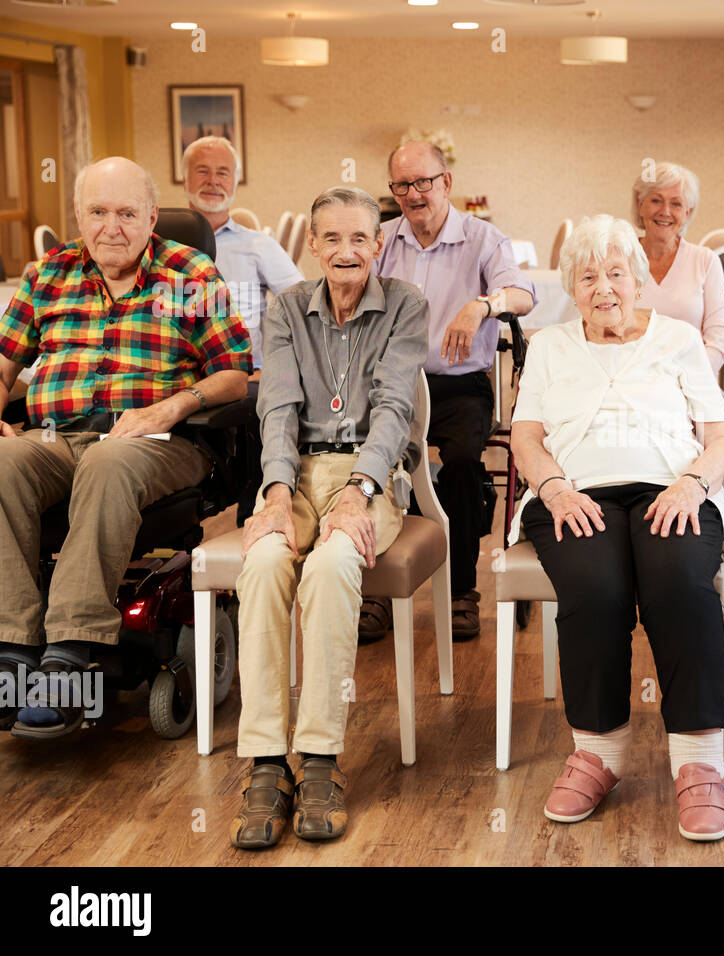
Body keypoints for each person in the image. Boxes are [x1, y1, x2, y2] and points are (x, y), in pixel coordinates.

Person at [0, 157, 250, 737]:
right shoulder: (48, 274)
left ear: (152, 216)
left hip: (161, 441)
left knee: (109, 460)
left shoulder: (191, 274)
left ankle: (70, 650)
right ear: (79, 216)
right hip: (58, 439)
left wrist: (172, 405)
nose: (111, 227)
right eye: (98, 212)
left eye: (126, 213)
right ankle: (12, 647)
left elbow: (235, 374)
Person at [510, 215, 724, 840]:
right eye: (588, 277)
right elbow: (526, 438)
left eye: (616, 273)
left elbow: (721, 435)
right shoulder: (551, 346)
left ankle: (699, 764)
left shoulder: (679, 341)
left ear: (639, 280)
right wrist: (553, 488)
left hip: (672, 488)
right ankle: (597, 753)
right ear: (572, 288)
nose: (604, 288)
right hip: (573, 492)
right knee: (596, 589)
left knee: (679, 584)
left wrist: (693, 485)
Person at [230, 186, 428, 848]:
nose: (346, 252)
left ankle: (317, 758)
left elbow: (395, 407)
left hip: (368, 473)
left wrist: (360, 489)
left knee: (335, 562)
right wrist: (277, 492)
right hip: (297, 472)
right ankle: (265, 763)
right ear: (312, 245)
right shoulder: (287, 309)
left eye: (359, 239)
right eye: (332, 239)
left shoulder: (405, 305)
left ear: (378, 245)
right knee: (260, 563)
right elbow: (277, 408)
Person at [376, 141, 536, 640]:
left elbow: (524, 296)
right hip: (391, 384)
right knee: (365, 456)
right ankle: (376, 588)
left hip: (459, 385)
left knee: (465, 459)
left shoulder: (482, 238)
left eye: (423, 182)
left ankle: (462, 587)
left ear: (445, 183)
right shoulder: (380, 239)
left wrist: (481, 306)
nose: (413, 194)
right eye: (402, 185)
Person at [183, 135, 303, 376]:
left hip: (244, 377)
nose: (213, 181)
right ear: (185, 179)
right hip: (174, 379)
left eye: (223, 173)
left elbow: (304, 305)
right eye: (202, 171)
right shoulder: (159, 244)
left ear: (235, 182)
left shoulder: (259, 245)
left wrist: (274, 367)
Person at [632, 162, 724, 375]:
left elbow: (717, 341)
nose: (665, 211)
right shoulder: (620, 258)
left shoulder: (706, 261)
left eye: (676, 204)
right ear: (640, 206)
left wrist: (689, 379)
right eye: (656, 200)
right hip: (631, 380)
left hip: (691, 380)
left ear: (687, 212)